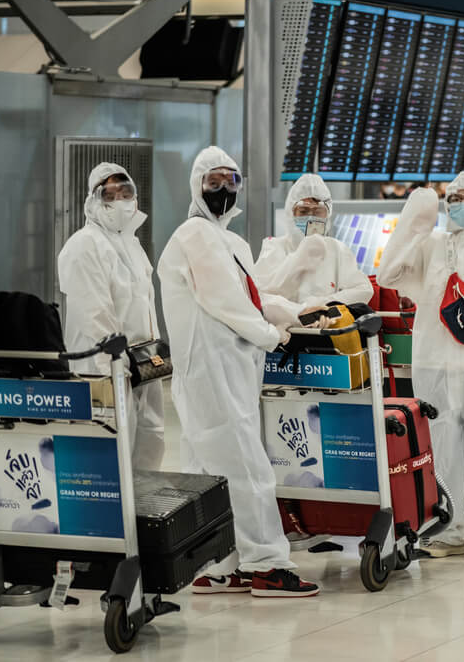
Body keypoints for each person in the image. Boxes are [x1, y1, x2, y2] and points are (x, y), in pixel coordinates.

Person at [157, 146, 319, 597]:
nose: (224, 190)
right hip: (213, 374)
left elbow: (251, 296)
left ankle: (218, 565)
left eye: (232, 181)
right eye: (214, 182)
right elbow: (225, 302)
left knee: (208, 472)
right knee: (246, 468)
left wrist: (300, 312)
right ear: (197, 186)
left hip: (226, 371)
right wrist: (271, 335)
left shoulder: (230, 241)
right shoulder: (195, 235)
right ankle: (267, 565)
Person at [378, 171, 464, 561]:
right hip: (434, 366)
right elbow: (389, 274)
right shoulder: (432, 246)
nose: (463, 204)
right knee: (442, 451)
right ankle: (451, 529)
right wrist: (417, 217)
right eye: (455, 198)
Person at [57, 162, 165, 471]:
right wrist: (115, 369)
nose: (120, 200)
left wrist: (152, 360)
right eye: (110, 194)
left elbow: (144, 306)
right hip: (105, 368)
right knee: (109, 451)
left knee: (149, 440)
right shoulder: (84, 245)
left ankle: (143, 502)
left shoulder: (132, 244)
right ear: (93, 200)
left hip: (142, 364)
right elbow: (95, 315)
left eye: (126, 192)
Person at [253, 174, 372, 308]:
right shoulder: (274, 247)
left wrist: (323, 305)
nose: (310, 217)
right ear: (291, 213)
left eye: (317, 212)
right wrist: (297, 260)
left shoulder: (338, 250)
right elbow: (263, 294)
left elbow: (363, 290)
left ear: (327, 214)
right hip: (283, 322)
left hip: (326, 320)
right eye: (303, 211)